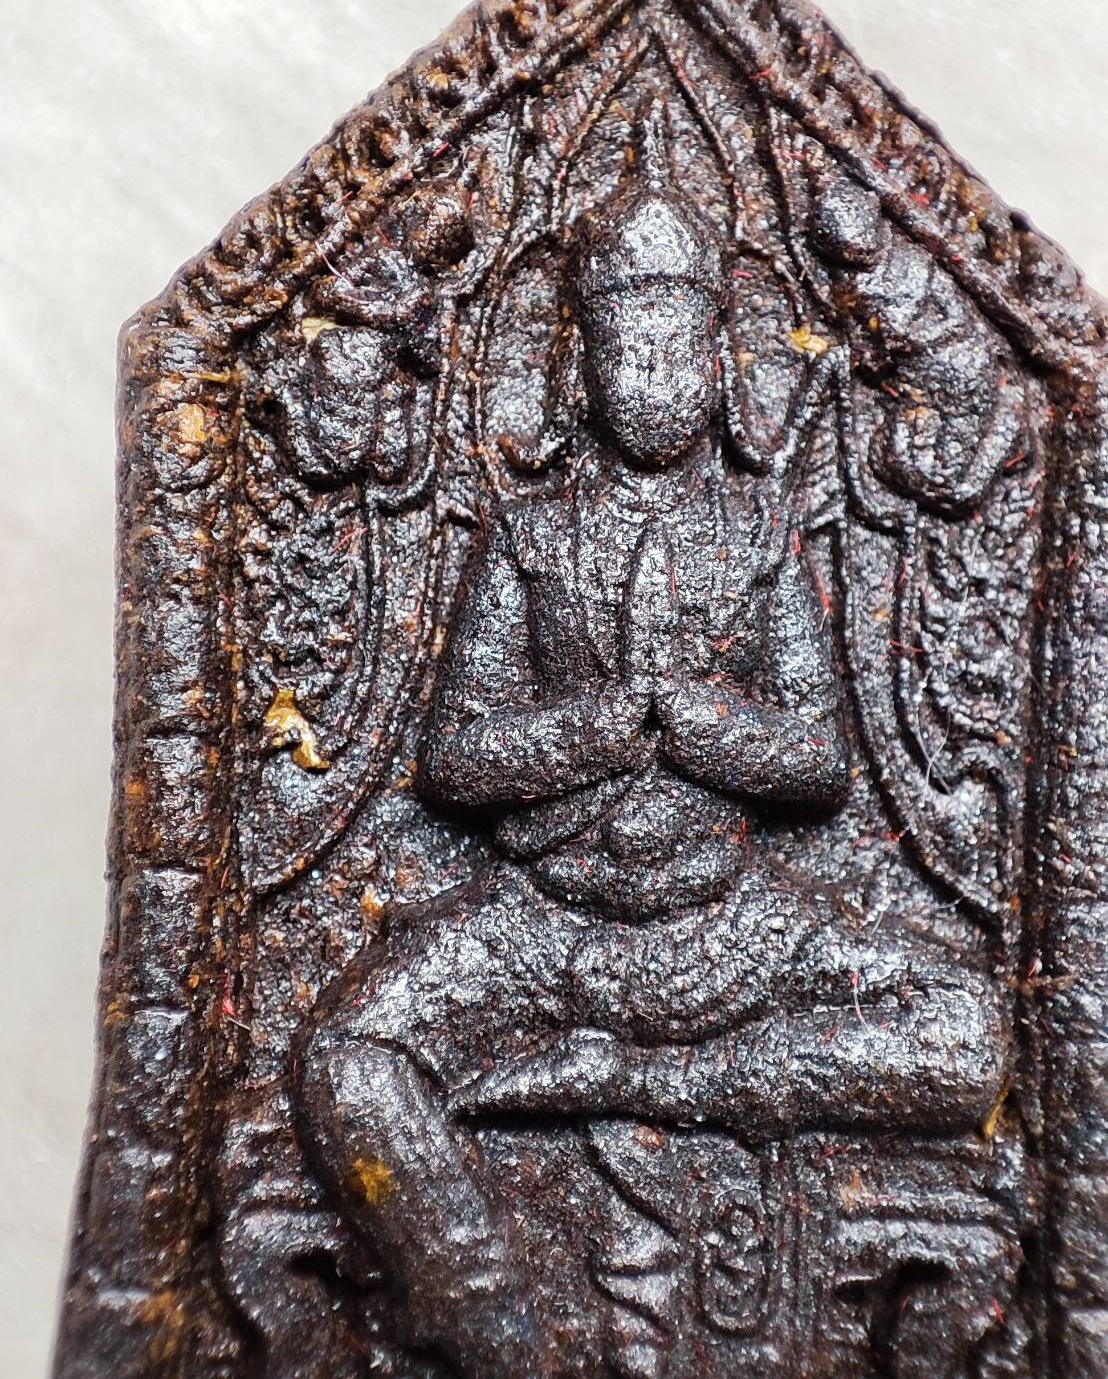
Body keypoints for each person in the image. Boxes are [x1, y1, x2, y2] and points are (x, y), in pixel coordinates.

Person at [295, 144, 1007, 1378]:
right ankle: (481, 1314)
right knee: (346, 1056)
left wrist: (700, 719)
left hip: (726, 923)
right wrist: (605, 723)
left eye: (677, 350)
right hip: (548, 924)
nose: (651, 379)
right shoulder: (531, 534)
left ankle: (661, 1080)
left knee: (963, 1033)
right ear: (578, 365)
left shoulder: (758, 531)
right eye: (625, 351)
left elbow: (819, 764)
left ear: (721, 360)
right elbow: (454, 760)